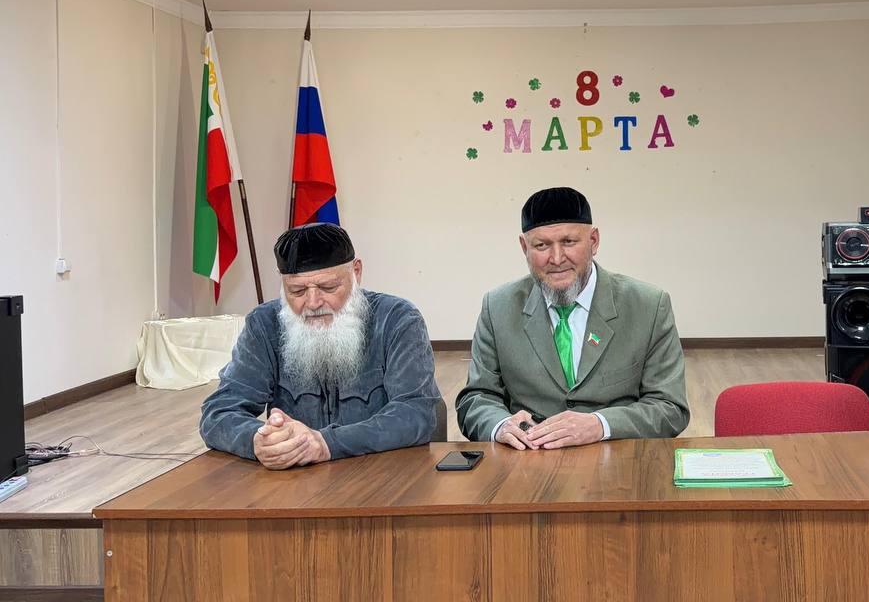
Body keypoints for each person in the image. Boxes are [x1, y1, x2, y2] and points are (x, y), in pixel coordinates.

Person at [456, 187, 689, 449]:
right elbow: (476, 399)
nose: (556, 259)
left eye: (568, 242)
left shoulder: (648, 305)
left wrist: (601, 424)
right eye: (542, 245)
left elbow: (670, 407)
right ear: (524, 247)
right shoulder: (497, 307)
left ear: (594, 241)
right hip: (528, 458)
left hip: (619, 456)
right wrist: (501, 425)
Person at [200, 223, 441, 470]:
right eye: (297, 291)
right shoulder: (264, 324)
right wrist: (259, 440)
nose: (313, 303)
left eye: (328, 287)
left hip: (384, 472)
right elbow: (218, 413)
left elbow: (416, 414)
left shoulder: (396, 319)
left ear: (356, 272)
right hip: (297, 480)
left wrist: (327, 443)